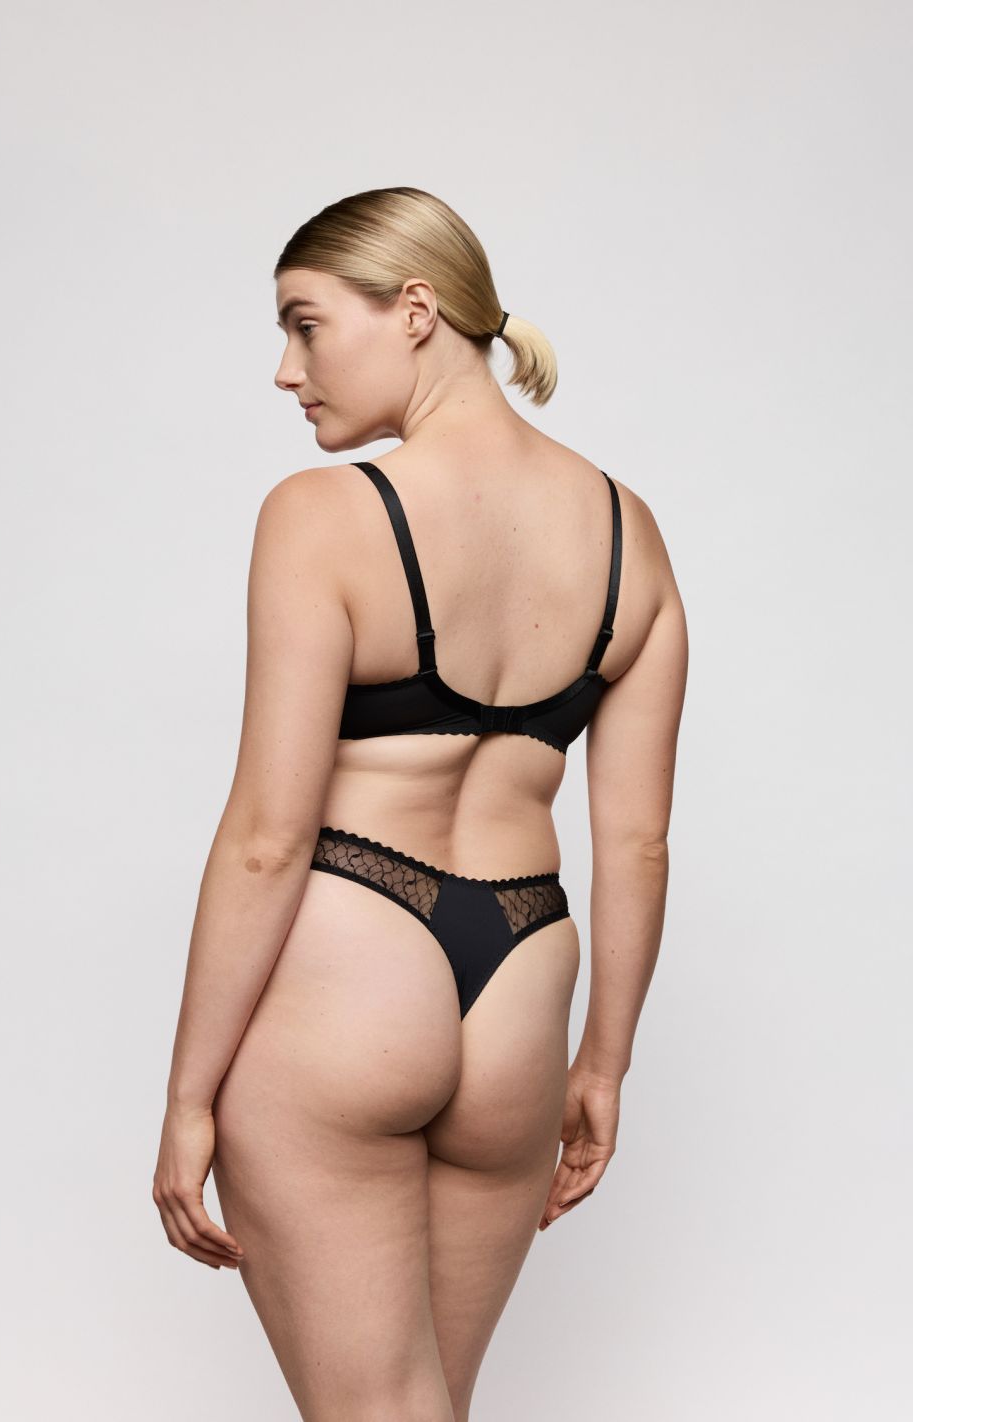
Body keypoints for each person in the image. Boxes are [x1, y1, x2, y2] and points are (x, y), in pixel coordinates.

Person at [152, 186, 688, 1422]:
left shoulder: (321, 517)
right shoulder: (631, 536)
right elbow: (637, 841)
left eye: (304, 326)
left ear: (412, 309)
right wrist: (602, 1062)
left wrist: (186, 1097)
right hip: (522, 982)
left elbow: (268, 837)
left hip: (352, 965)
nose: (286, 372)